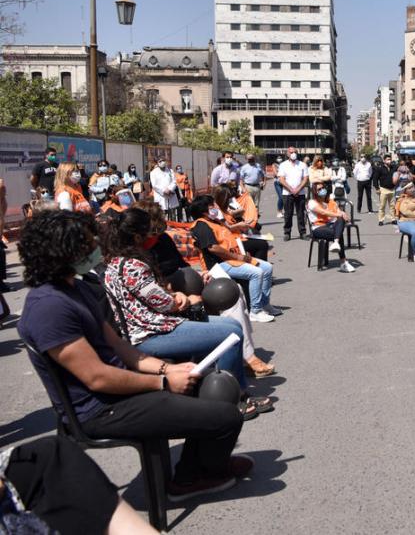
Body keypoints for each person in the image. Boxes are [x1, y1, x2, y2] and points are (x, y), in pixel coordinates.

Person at [17, 210, 252, 502]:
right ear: (61, 251)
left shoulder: (78, 288)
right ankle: (189, 480)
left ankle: (201, 465)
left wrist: (166, 370)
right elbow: (97, 377)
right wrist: (163, 383)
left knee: (216, 390)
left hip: (120, 392)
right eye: (87, 243)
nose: (96, 246)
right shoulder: (49, 307)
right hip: (100, 410)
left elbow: (121, 348)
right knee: (227, 417)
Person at [99, 209, 257, 407]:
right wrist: (185, 299)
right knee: (230, 334)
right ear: (138, 236)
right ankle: (234, 399)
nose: (153, 236)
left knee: (231, 325)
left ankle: (225, 389)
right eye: (150, 232)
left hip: (148, 328)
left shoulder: (114, 262)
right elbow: (163, 304)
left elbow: (148, 296)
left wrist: (173, 296)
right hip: (149, 334)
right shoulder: (132, 265)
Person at [133, 199, 274, 377]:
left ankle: (247, 354)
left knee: (233, 291)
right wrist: (176, 292)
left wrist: (200, 275)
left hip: (185, 284)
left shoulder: (163, 240)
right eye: (154, 231)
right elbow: (148, 287)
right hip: (170, 295)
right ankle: (241, 359)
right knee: (223, 314)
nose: (158, 234)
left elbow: (181, 264)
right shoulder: (135, 254)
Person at [1, 435, 159, 535]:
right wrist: (161, 384)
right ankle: (180, 482)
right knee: (181, 411)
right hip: (97, 409)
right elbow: (97, 382)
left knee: (52, 457)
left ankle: (179, 482)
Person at [188, 196, 279, 323]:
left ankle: (264, 304)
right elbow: (213, 248)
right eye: (212, 206)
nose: (215, 207)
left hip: (234, 259)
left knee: (267, 267)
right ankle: (255, 311)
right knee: (256, 273)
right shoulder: (201, 225)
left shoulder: (216, 221)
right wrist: (238, 257)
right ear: (204, 211)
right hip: (219, 264)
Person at [306, 184, 356, 273]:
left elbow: (339, 212)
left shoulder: (331, 201)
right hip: (318, 228)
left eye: (323, 188)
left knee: (340, 220)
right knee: (339, 232)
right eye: (319, 189)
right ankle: (343, 262)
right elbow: (323, 212)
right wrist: (340, 214)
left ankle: (336, 242)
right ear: (315, 192)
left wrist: (343, 214)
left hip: (331, 226)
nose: (322, 190)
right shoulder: (312, 202)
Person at [278, 146, 309, 241]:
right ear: (287, 154)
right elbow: (281, 179)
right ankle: (287, 233)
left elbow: (305, 179)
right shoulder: (283, 165)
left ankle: (302, 233)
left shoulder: (303, 165)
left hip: (300, 193)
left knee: (301, 214)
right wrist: (291, 189)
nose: (293, 154)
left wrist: (298, 189)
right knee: (288, 214)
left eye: (294, 152)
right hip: (287, 193)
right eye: (291, 152)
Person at [373, 154, 396, 225]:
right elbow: (375, 179)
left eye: (390, 159)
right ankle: (381, 220)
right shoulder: (380, 168)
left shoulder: (393, 168)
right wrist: (377, 188)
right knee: (382, 206)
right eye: (387, 159)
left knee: (392, 206)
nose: (389, 161)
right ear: (384, 160)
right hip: (383, 189)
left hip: (392, 189)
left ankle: (393, 219)